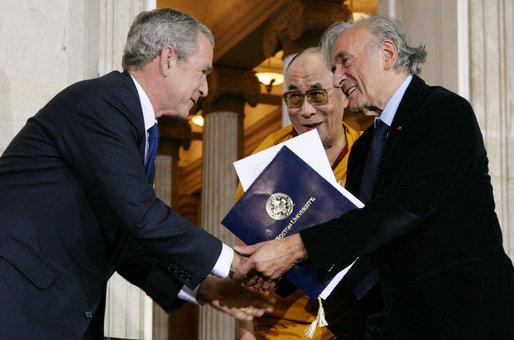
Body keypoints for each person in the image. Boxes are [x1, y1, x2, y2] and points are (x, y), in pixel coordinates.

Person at [235, 15, 514, 339]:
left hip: (461, 318)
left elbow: (398, 210)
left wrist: (294, 249)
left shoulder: (444, 113)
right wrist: (276, 272)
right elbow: (354, 233)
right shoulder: (367, 145)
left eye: (344, 63)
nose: (338, 78)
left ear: (387, 54)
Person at [0, 8, 274, 339]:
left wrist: (205, 288)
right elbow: (141, 215)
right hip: (19, 303)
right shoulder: (103, 103)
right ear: (168, 59)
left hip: (49, 311)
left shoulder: (132, 123)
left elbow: (127, 240)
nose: (204, 88)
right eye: (202, 71)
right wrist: (233, 261)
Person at [236, 47, 370, 340]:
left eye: (318, 95)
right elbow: (246, 258)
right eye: (295, 97)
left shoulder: (368, 154)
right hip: (281, 326)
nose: (306, 110)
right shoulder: (267, 160)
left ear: (344, 95)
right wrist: (245, 333)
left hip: (353, 324)